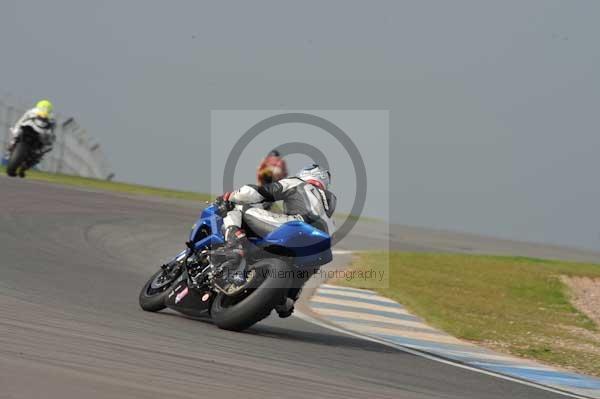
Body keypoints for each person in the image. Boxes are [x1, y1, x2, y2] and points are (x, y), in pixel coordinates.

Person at [216, 164, 336, 318]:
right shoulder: (329, 204)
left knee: (235, 208)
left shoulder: (297, 182)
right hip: (320, 243)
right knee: (310, 266)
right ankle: (289, 298)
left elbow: (257, 192)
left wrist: (231, 196)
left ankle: (234, 246)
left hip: (296, 225)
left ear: (306, 174)